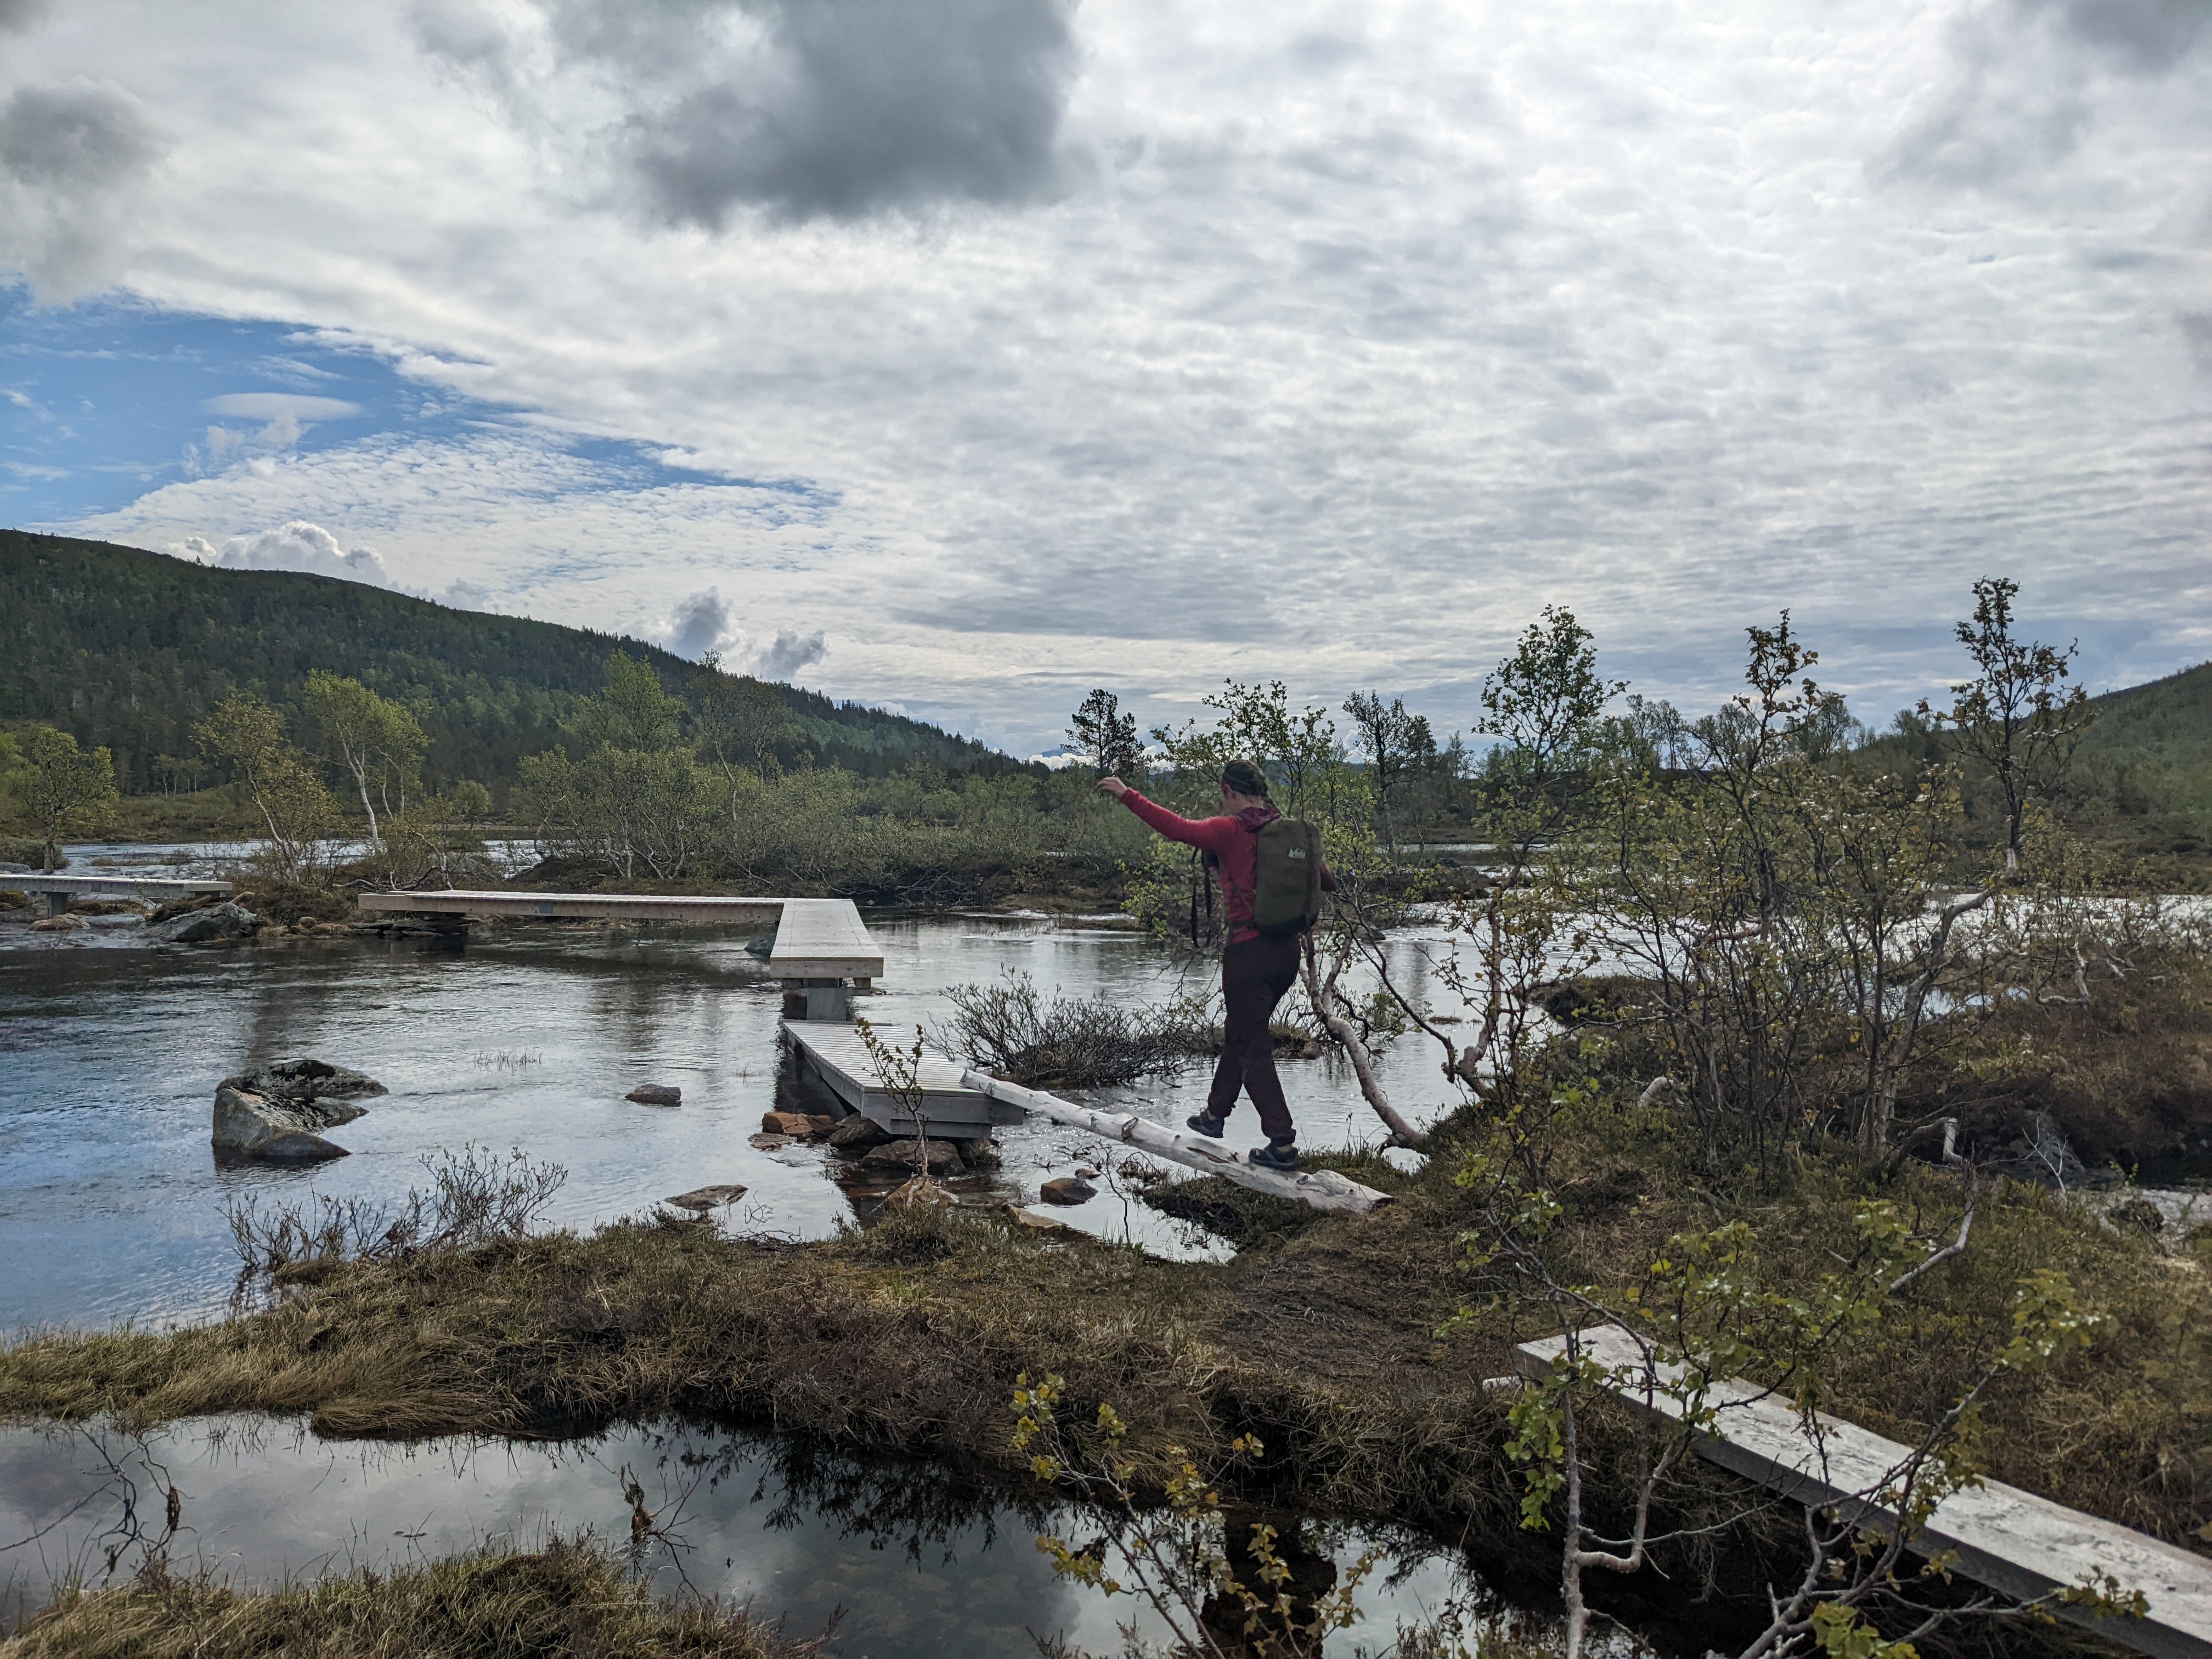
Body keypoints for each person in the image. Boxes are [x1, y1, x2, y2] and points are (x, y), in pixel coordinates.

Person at [1097, 759, 1334, 1170]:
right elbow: (1327, 880)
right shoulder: (1283, 833)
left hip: (1248, 954)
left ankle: (1281, 1142)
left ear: (1228, 790)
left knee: (1253, 1046)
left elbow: (1177, 829)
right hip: (1286, 954)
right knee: (1242, 1034)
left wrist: (1127, 795)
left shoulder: (1231, 830)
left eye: (1221, 795)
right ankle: (1214, 1116)